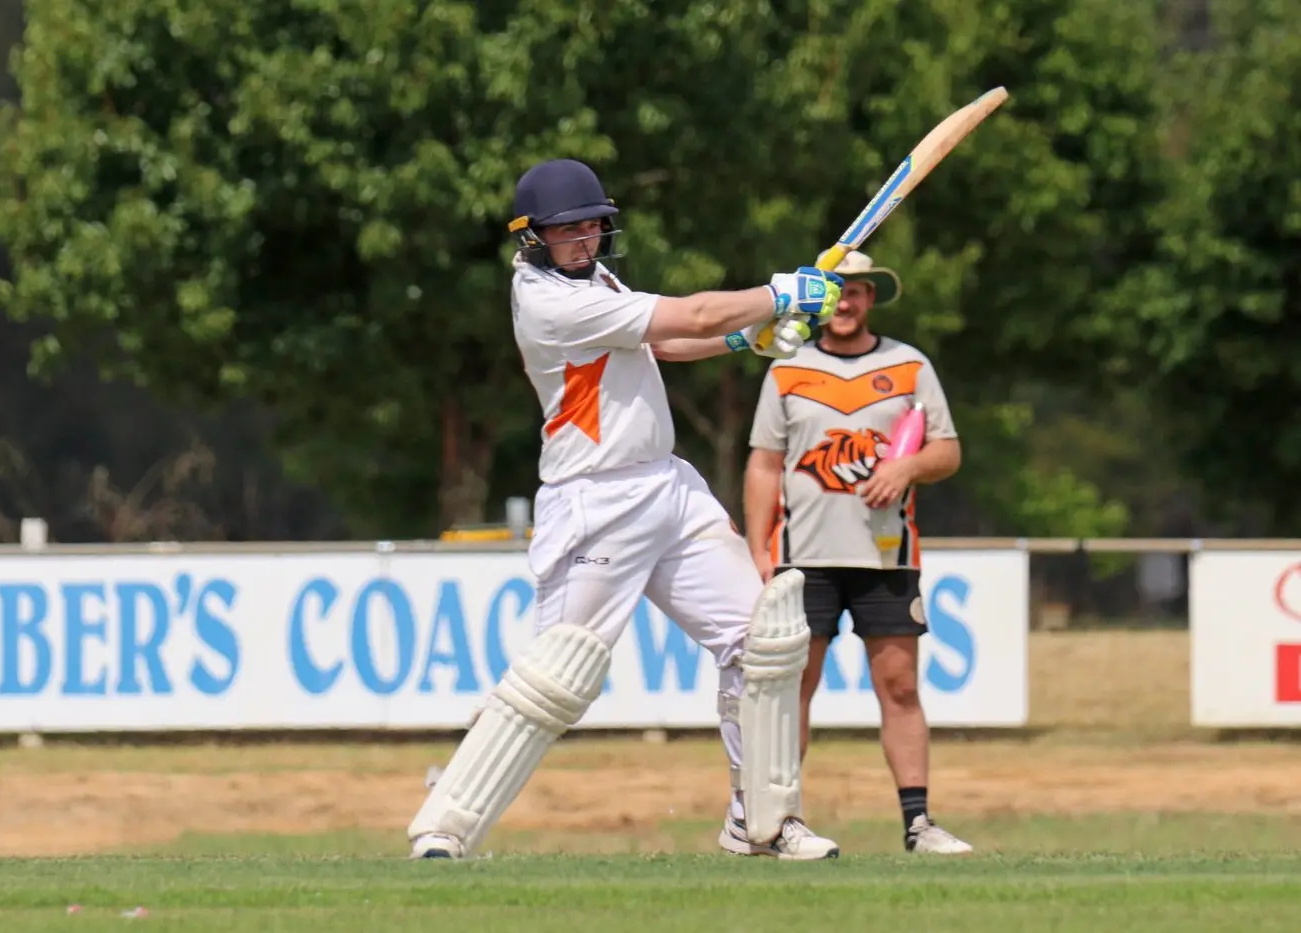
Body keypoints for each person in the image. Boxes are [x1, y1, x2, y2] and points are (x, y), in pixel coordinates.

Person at [406, 157, 845, 861]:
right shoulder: (548, 302)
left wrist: (746, 337)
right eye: (567, 230)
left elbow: (665, 337)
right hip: (594, 502)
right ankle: (446, 819)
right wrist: (779, 293)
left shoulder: (594, 281)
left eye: (592, 225)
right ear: (532, 238)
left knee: (761, 643)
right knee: (556, 679)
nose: (583, 238)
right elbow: (692, 310)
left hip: (668, 489)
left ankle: (760, 818)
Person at [742, 249, 973, 855]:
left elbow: (946, 451)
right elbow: (764, 464)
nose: (845, 303)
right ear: (821, 301)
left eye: (858, 292)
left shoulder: (909, 366)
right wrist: (757, 547)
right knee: (795, 689)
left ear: (871, 299)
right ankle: (773, 820)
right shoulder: (787, 369)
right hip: (803, 558)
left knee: (898, 686)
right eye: (836, 293)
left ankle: (918, 824)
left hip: (886, 558)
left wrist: (908, 468)